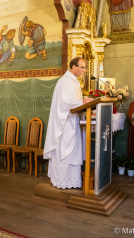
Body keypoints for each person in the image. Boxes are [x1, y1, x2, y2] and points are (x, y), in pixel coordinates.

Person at [43, 57, 94, 189]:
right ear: (73, 66)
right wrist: (82, 102)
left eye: (84, 68)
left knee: (73, 152)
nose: (84, 70)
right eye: (82, 67)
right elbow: (65, 102)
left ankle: (72, 180)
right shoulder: (65, 81)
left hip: (72, 121)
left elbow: (74, 101)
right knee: (64, 152)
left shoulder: (75, 81)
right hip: (64, 123)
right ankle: (62, 180)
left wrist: (84, 103)